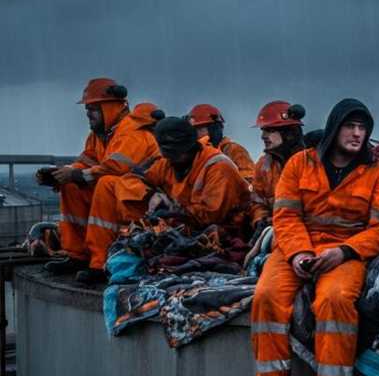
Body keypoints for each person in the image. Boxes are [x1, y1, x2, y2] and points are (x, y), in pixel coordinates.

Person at [250, 99, 379, 376]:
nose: (357, 134)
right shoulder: (299, 165)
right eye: (350, 126)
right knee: (266, 298)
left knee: (334, 302)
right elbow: (285, 216)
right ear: (334, 128)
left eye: (363, 128)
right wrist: (299, 253)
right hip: (296, 248)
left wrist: (344, 252)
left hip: (346, 251)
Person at [74, 116, 251, 284]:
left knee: (167, 261)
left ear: (189, 147)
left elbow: (213, 215)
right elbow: (133, 178)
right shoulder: (167, 162)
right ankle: (99, 264)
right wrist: (150, 195)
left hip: (220, 233)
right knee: (109, 184)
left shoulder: (218, 167)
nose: (170, 159)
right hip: (182, 226)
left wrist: (174, 211)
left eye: (175, 154)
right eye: (168, 154)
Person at [39, 78, 161, 275]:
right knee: (71, 186)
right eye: (87, 109)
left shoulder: (132, 133)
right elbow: (86, 161)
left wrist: (77, 174)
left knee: (106, 183)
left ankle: (100, 263)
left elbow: (117, 168)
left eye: (93, 109)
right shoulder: (99, 135)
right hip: (121, 195)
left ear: (111, 107)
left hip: (143, 202)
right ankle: (77, 255)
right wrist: (62, 174)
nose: (88, 114)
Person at [249, 101, 306, 233]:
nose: (263, 136)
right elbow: (257, 202)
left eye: (270, 130)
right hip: (275, 231)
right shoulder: (263, 165)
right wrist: (260, 219)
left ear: (289, 133)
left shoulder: (310, 163)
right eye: (263, 130)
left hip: (305, 231)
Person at [187, 103, 256, 183]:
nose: (195, 135)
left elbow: (250, 180)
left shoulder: (233, 150)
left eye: (199, 129)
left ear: (214, 129)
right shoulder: (194, 155)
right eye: (193, 130)